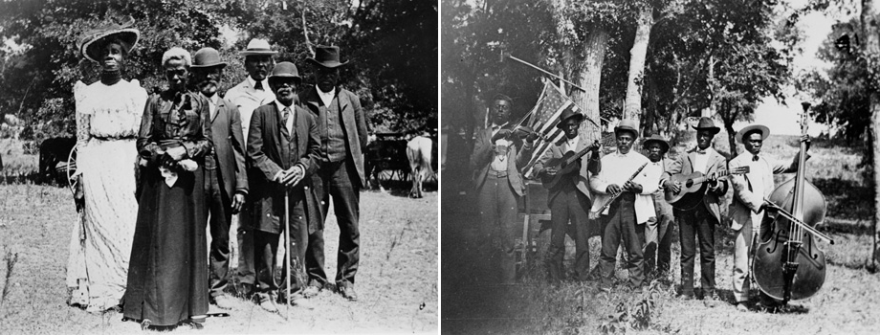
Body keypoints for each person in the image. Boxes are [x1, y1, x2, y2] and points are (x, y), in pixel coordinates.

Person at [123, 47, 212, 330]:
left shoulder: (200, 102)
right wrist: (164, 156)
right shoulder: (154, 101)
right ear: (165, 73)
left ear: (189, 72)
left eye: (181, 71)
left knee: (186, 241)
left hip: (188, 181)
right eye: (171, 71)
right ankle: (154, 310)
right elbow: (143, 140)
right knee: (159, 241)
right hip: (159, 181)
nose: (176, 76)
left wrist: (184, 151)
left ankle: (189, 310)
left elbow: (207, 141)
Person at [67, 24, 147, 313]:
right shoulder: (88, 93)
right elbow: (83, 138)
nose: (110, 57)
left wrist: (141, 166)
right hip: (98, 160)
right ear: (98, 60)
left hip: (126, 160)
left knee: (127, 220)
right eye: (105, 53)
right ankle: (101, 288)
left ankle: (127, 287)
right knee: (99, 222)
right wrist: (81, 174)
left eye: (116, 52)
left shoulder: (136, 93)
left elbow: (142, 136)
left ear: (125, 57)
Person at [245, 61, 321, 312]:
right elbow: (254, 153)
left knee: (297, 240)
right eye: (279, 82)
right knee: (267, 239)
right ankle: (264, 290)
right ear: (273, 86)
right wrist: (276, 173)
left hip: (299, 192)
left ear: (298, 86)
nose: (285, 86)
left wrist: (300, 169)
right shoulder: (261, 114)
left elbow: (316, 153)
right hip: (269, 191)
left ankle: (292, 289)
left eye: (290, 82)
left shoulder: (308, 117)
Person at [300, 45, 372, 301]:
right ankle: (316, 278)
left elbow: (362, 136)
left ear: (339, 74)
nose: (327, 76)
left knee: (350, 225)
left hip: (344, 169)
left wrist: (349, 159)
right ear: (315, 72)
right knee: (313, 226)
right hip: (315, 171)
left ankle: (346, 280)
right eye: (322, 71)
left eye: (333, 71)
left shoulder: (350, 100)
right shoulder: (304, 98)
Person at [190, 47, 248, 310]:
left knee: (221, 238)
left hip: (224, 181)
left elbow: (239, 150)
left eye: (213, 73)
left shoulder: (231, 109)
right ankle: (195, 287)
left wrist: (241, 188)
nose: (208, 79)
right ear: (196, 77)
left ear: (220, 76)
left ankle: (218, 288)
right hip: (195, 180)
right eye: (203, 74)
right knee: (194, 235)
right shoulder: (187, 104)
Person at [729, 124, 809, 312]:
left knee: (765, 259)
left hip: (767, 219)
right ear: (745, 142)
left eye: (759, 141)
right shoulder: (736, 163)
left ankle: (766, 297)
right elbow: (741, 191)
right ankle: (741, 299)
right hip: (745, 217)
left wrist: (804, 149)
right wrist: (761, 203)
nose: (756, 144)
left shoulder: (766, 161)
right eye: (753, 141)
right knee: (742, 260)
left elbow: (792, 165)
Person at [224, 38, 277, 296]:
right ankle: (246, 278)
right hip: (244, 169)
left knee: (268, 225)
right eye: (255, 59)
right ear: (246, 62)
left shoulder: (278, 92)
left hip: (271, 171)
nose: (260, 65)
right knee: (245, 225)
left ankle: (267, 277)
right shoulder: (233, 95)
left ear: (271, 62)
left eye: (265, 59)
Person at [660, 117, 728, 306]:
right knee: (686, 250)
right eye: (700, 134)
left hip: (706, 208)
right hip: (685, 208)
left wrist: (715, 185)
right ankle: (687, 291)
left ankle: (708, 293)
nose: (702, 138)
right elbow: (667, 172)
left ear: (712, 137)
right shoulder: (685, 155)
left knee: (707, 251)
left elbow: (723, 186)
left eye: (706, 135)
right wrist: (667, 182)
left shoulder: (719, 159)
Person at [469, 94, 533, 284]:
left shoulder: (516, 135)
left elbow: (521, 162)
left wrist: (528, 144)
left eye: (505, 107)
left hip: (508, 185)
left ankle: (508, 282)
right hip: (487, 184)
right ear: (492, 109)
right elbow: (474, 161)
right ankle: (484, 280)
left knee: (508, 236)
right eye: (497, 107)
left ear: (510, 112)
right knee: (485, 234)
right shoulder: (483, 134)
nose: (501, 110)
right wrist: (492, 141)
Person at [589, 119, 660, 291]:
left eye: (627, 139)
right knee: (608, 247)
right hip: (611, 206)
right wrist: (607, 187)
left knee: (635, 249)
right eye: (621, 138)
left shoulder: (643, 161)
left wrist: (639, 187)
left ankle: (635, 285)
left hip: (633, 207)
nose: (623, 142)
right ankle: (605, 285)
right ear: (616, 139)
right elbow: (594, 180)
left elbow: (653, 184)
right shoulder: (606, 160)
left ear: (633, 140)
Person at [533, 109, 599, 283]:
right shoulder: (556, 146)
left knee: (582, 238)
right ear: (563, 128)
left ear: (578, 125)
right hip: (559, 194)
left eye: (573, 124)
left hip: (579, 194)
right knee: (557, 239)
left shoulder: (586, 145)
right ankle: (555, 279)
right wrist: (545, 170)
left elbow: (595, 169)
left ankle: (581, 278)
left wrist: (597, 154)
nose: (570, 128)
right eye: (567, 125)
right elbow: (537, 166)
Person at [641, 134, 675, 284]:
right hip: (648, 201)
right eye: (652, 148)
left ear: (662, 150)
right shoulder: (643, 164)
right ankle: (648, 275)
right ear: (648, 150)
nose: (654, 150)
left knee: (665, 242)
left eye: (657, 148)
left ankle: (663, 275)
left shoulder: (670, 164)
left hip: (666, 203)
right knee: (649, 242)